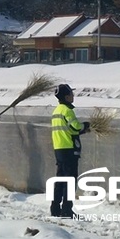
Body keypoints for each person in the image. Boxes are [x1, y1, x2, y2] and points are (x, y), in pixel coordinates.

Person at [50, 84, 90, 218]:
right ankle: (67, 210)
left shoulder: (56, 110)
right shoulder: (67, 110)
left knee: (60, 180)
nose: (73, 96)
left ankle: (55, 208)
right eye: (71, 94)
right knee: (70, 180)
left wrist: (81, 130)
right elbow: (76, 126)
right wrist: (86, 126)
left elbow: (69, 129)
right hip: (69, 149)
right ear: (66, 97)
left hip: (59, 149)